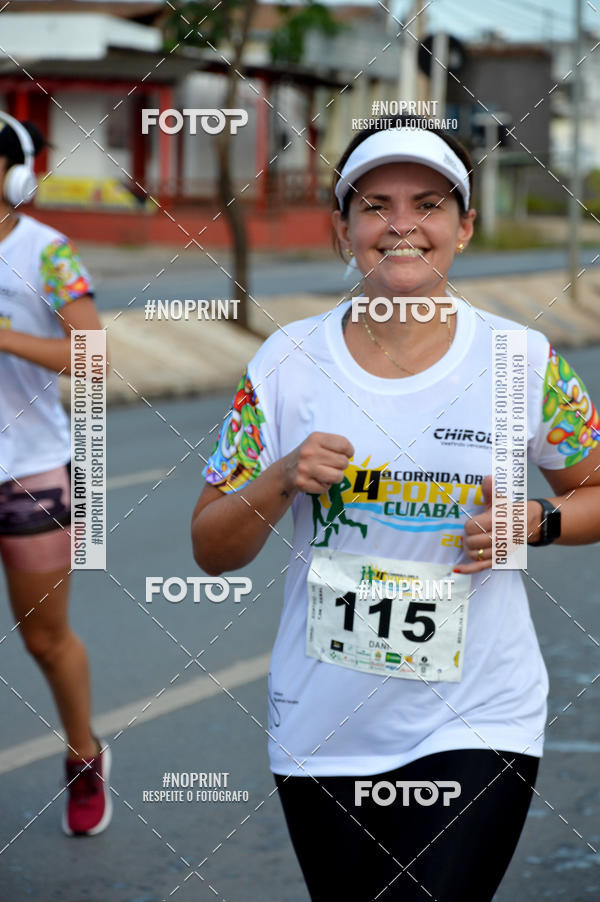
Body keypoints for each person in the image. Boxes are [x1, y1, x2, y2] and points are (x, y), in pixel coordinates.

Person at [190, 116, 600, 900]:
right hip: (325, 728)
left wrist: (539, 521)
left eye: (430, 204)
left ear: (465, 226)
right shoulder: (286, 364)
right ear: (341, 228)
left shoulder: (523, 361)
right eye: (375, 206)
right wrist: (282, 476)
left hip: (480, 720)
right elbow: (211, 547)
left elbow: (596, 492)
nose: (401, 225)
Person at [0, 112, 111, 835]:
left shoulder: (47, 252)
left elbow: (93, 356)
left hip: (28, 469)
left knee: (43, 638)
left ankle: (84, 754)